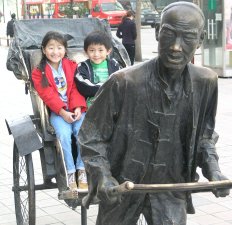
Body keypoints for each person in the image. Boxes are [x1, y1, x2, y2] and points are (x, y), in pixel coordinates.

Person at [78, 2, 230, 225]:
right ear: (158, 32)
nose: (176, 47)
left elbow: (204, 136)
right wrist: (102, 176)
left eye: (188, 37)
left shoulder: (205, 82)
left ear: (200, 40)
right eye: (169, 34)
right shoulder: (123, 82)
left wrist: (213, 170)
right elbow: (91, 136)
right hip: (122, 184)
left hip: (169, 186)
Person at [32, 31, 88, 192]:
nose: (55, 52)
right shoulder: (38, 72)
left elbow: (76, 89)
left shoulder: (72, 65)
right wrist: (63, 112)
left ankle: (82, 170)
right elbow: (47, 95)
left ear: (65, 49)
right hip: (58, 113)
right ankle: (70, 173)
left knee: (82, 133)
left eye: (59, 47)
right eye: (51, 48)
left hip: (76, 109)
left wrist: (77, 107)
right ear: (44, 50)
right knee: (64, 136)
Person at [75, 30, 121, 107]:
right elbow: (84, 87)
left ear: (108, 51)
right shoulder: (82, 67)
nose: (96, 54)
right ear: (86, 52)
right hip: (92, 105)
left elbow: (121, 82)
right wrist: (109, 87)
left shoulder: (115, 65)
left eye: (100, 50)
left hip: (113, 103)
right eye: (92, 50)